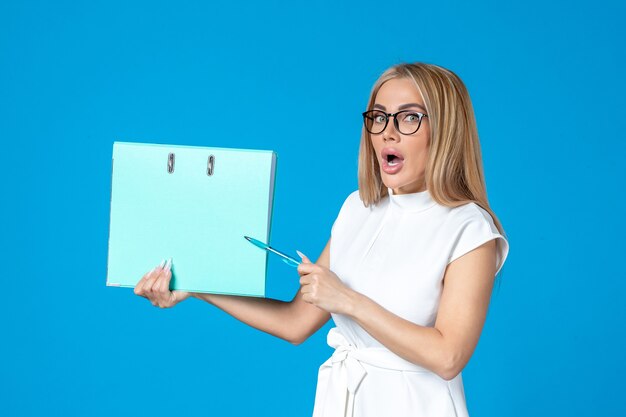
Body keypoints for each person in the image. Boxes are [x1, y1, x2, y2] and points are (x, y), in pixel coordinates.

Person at [134, 62, 510, 417]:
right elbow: (295, 322)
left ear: (446, 130)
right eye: (378, 117)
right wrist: (196, 285)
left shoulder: (469, 229)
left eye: (409, 117)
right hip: (343, 401)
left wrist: (347, 300)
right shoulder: (358, 208)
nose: (387, 132)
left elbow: (449, 356)